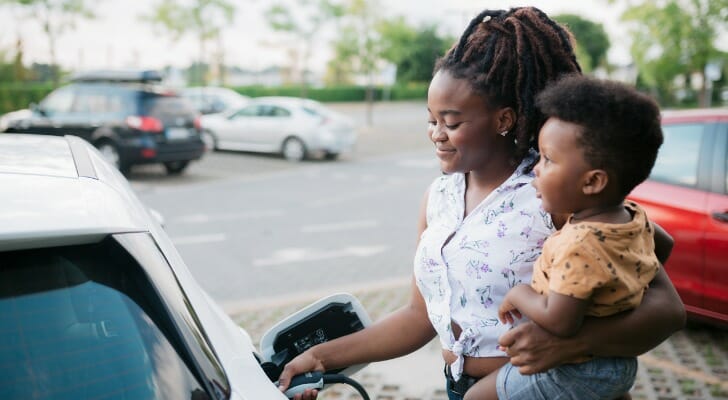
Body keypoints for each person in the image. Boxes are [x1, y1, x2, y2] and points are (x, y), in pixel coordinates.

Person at [278, 7, 686, 400]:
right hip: (460, 388)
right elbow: (419, 319)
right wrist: (319, 358)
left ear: (503, 120)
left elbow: (666, 308)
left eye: (451, 122)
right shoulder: (438, 197)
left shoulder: (553, 190)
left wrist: (570, 345)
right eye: (431, 119)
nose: (436, 133)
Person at [461, 75, 665, 400]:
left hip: (575, 369)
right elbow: (662, 249)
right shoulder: (630, 217)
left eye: (548, 159)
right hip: (615, 361)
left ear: (593, 182)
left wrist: (519, 293)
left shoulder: (581, 242)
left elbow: (560, 321)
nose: (536, 169)